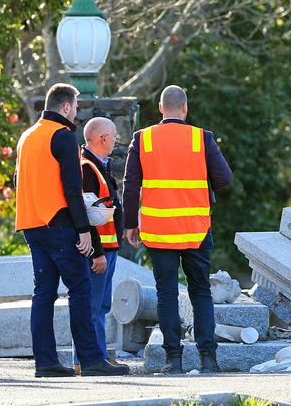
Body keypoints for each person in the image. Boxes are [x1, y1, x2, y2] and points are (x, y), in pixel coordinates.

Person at [15, 83, 128, 378]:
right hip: (60, 224)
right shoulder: (63, 136)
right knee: (81, 290)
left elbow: (18, 181)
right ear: (66, 107)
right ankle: (91, 360)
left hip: (32, 224)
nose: (76, 113)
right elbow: (72, 188)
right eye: (76, 107)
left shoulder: (27, 137)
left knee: (44, 294)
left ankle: (46, 362)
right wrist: (84, 230)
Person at [122, 85, 233, 374]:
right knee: (200, 293)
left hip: (158, 231)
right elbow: (224, 177)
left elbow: (130, 186)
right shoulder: (201, 138)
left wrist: (130, 224)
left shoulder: (142, 139)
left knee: (167, 294)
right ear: (184, 107)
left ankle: (174, 361)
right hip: (196, 229)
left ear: (161, 108)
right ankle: (208, 359)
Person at [72, 117, 129, 374]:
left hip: (108, 248)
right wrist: (96, 253)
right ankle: (90, 359)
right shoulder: (87, 168)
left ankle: (98, 356)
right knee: (92, 307)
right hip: (99, 251)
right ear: (103, 138)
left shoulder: (97, 166)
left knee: (100, 306)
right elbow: (86, 214)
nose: (116, 141)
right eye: (114, 136)